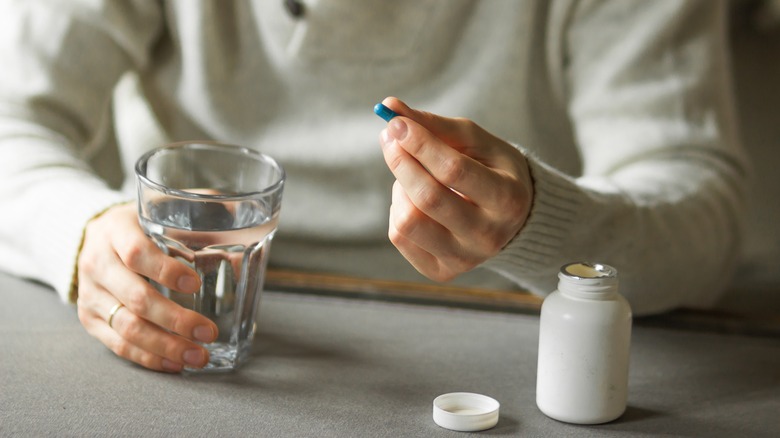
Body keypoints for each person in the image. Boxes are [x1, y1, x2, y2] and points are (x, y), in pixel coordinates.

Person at [0, 0, 747, 372]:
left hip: (508, 342)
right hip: (202, 333)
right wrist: (80, 231)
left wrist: (536, 219)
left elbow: (703, 220)